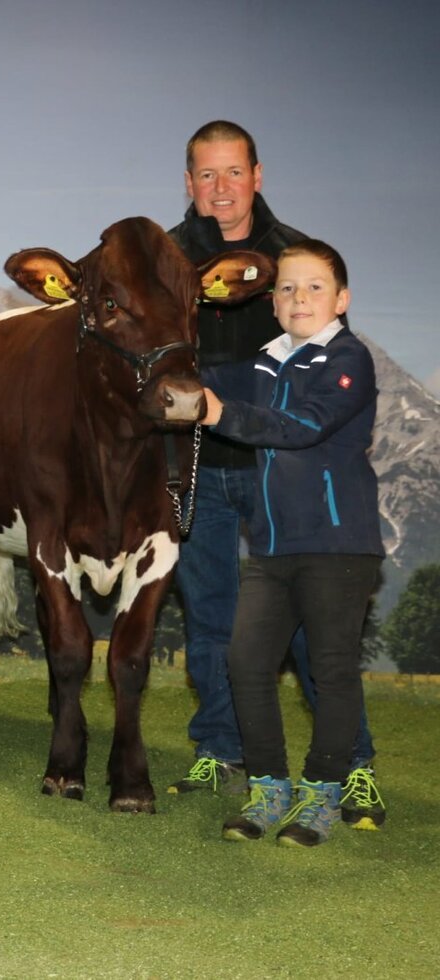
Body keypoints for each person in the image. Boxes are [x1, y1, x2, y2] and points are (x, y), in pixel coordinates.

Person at [167, 122, 380, 819]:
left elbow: (310, 382)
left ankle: (351, 764)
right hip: (195, 467)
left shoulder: (297, 261)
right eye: (207, 175)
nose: (221, 188)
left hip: (278, 474)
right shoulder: (164, 260)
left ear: (258, 174)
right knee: (209, 617)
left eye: (234, 173)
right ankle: (223, 747)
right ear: (189, 183)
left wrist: (210, 396)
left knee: (307, 629)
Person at [203, 240, 383, 845]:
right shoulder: (264, 361)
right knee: (246, 662)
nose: (298, 297)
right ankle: (268, 789)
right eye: (286, 288)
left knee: (331, 671)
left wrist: (215, 413)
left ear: (342, 300)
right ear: (273, 303)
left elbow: (301, 426)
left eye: (313, 287)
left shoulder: (348, 358)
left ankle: (322, 794)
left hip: (339, 548)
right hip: (272, 549)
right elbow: (196, 374)